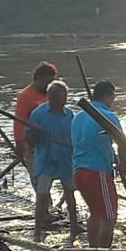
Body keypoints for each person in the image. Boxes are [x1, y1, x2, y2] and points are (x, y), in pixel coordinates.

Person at [71, 80, 126, 249]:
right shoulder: (108, 116)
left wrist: (112, 155)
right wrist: (122, 164)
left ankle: (93, 250)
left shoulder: (78, 117)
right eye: (112, 98)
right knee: (109, 218)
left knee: (95, 214)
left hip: (78, 170)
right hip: (97, 171)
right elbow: (123, 144)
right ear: (108, 96)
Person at [27, 80, 79, 235]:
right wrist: (35, 131)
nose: (64, 99)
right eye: (61, 96)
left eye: (65, 96)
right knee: (42, 195)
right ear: (51, 97)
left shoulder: (69, 115)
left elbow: (74, 137)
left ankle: (74, 225)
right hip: (46, 160)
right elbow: (30, 141)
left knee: (70, 192)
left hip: (65, 158)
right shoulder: (38, 114)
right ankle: (37, 228)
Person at [13, 61, 59, 172]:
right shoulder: (25, 96)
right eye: (48, 82)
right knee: (38, 175)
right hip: (33, 144)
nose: (49, 85)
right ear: (38, 78)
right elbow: (19, 121)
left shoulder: (50, 93)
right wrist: (19, 143)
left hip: (52, 141)